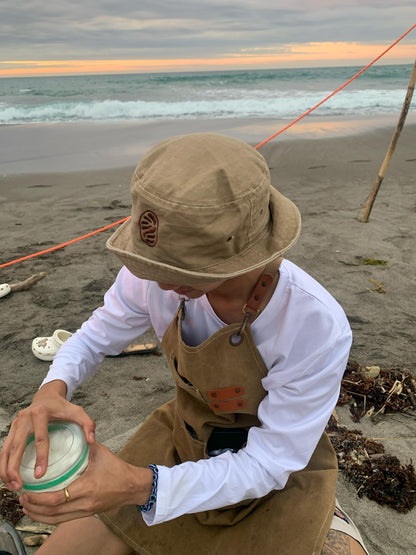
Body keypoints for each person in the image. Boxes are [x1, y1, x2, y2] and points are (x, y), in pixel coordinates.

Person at [0, 133, 368, 555]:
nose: (156, 280)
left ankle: (336, 517)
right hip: (183, 439)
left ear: (242, 253)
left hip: (272, 474)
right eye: (151, 263)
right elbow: (93, 338)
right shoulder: (153, 275)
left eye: (180, 269)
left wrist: (141, 486)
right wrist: (52, 390)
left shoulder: (313, 324)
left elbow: (270, 462)